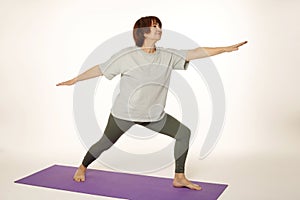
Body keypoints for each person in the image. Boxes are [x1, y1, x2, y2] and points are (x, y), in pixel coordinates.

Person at [57, 16, 247, 191]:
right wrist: (75, 79)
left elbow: (196, 52)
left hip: (154, 116)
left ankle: (179, 177)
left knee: (183, 133)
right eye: (154, 26)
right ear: (143, 32)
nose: (159, 29)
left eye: (159, 26)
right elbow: (100, 69)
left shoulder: (167, 55)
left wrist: (224, 49)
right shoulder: (126, 56)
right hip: (124, 115)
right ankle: (82, 167)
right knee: (104, 144)